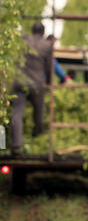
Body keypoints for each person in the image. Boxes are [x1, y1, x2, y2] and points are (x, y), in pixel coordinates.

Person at [11, 22, 52, 156]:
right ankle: (37, 142)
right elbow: (49, 68)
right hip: (37, 84)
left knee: (17, 113)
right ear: (43, 33)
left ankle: (16, 145)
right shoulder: (47, 45)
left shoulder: (23, 40)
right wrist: (49, 83)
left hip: (19, 82)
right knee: (39, 114)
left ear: (31, 30)